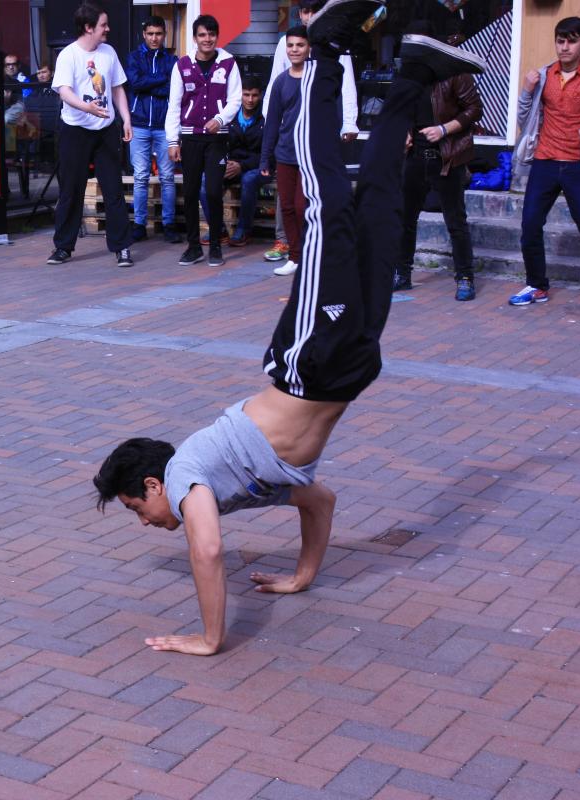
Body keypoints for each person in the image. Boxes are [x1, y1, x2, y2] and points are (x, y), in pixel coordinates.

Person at [91, 3, 484, 657]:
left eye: (138, 511)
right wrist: (302, 577)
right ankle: (414, 68)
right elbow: (320, 502)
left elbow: (209, 549)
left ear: (154, 488)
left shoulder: (188, 473)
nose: (148, 524)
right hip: (351, 363)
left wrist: (208, 638)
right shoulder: (234, 486)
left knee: (325, 198)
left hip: (310, 360)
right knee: (383, 203)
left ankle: (327, 50)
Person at [262, 0, 360, 265]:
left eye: (314, 11)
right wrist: (270, 134)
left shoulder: (331, 43)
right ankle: (290, 248)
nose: (310, 16)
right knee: (288, 202)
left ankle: (316, 249)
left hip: (319, 139)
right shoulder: (289, 44)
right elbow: (277, 80)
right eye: (305, 12)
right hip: (289, 139)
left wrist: (349, 121)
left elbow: (346, 81)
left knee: (311, 200)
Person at [396, 27, 482, 301]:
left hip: (447, 155)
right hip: (416, 156)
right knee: (406, 218)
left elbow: (474, 109)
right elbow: (406, 108)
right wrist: (406, 131)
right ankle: (402, 273)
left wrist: (444, 129)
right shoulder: (413, 75)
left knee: (455, 220)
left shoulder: (455, 72)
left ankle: (465, 277)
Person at [46, 2, 134, 269]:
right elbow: (64, 91)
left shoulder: (109, 52)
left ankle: (122, 248)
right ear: (88, 28)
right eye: (103, 25)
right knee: (72, 189)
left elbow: (117, 88)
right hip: (75, 130)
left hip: (106, 129)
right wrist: (86, 107)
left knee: (113, 189)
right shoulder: (68, 55)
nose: (108, 29)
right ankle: (63, 247)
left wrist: (126, 119)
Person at [510, 16, 580, 307]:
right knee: (529, 226)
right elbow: (523, 118)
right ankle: (536, 285)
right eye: (560, 41)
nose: (564, 47)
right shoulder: (543, 75)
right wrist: (527, 90)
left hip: (577, 164)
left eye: (572, 41)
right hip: (545, 161)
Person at [166, 14, 242, 268]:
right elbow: (174, 104)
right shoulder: (182, 65)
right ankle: (193, 246)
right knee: (188, 193)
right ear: (195, 38)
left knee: (212, 191)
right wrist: (171, 141)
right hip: (189, 137)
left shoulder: (229, 63)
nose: (207, 39)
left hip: (216, 138)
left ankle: (216, 246)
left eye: (211, 34)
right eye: (202, 35)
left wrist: (220, 119)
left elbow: (235, 100)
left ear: (216, 37)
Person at [260, 26, 312, 279]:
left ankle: (311, 255)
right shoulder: (281, 81)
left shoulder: (317, 78)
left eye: (300, 45)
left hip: (310, 154)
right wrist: (265, 157)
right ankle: (295, 257)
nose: (294, 50)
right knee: (288, 207)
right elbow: (272, 123)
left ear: (308, 48)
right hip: (285, 153)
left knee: (304, 207)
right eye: (290, 45)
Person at [127, 15, 180, 244]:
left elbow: (173, 89)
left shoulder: (173, 60)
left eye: (158, 33)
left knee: (167, 177)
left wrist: (150, 83)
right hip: (139, 124)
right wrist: (160, 80)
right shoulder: (134, 57)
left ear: (164, 34)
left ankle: (169, 225)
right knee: (140, 177)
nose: (154, 38)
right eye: (150, 34)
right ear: (144, 34)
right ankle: (140, 225)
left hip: (164, 126)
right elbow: (135, 83)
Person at [224, 77, 266, 247]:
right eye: (246, 95)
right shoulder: (230, 115)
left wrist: (243, 166)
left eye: (254, 95)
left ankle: (244, 230)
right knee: (205, 180)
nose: (250, 100)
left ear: (260, 96)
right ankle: (217, 230)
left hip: (258, 167)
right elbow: (220, 145)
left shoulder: (266, 115)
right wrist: (225, 163)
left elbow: (268, 153)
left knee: (249, 179)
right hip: (233, 165)